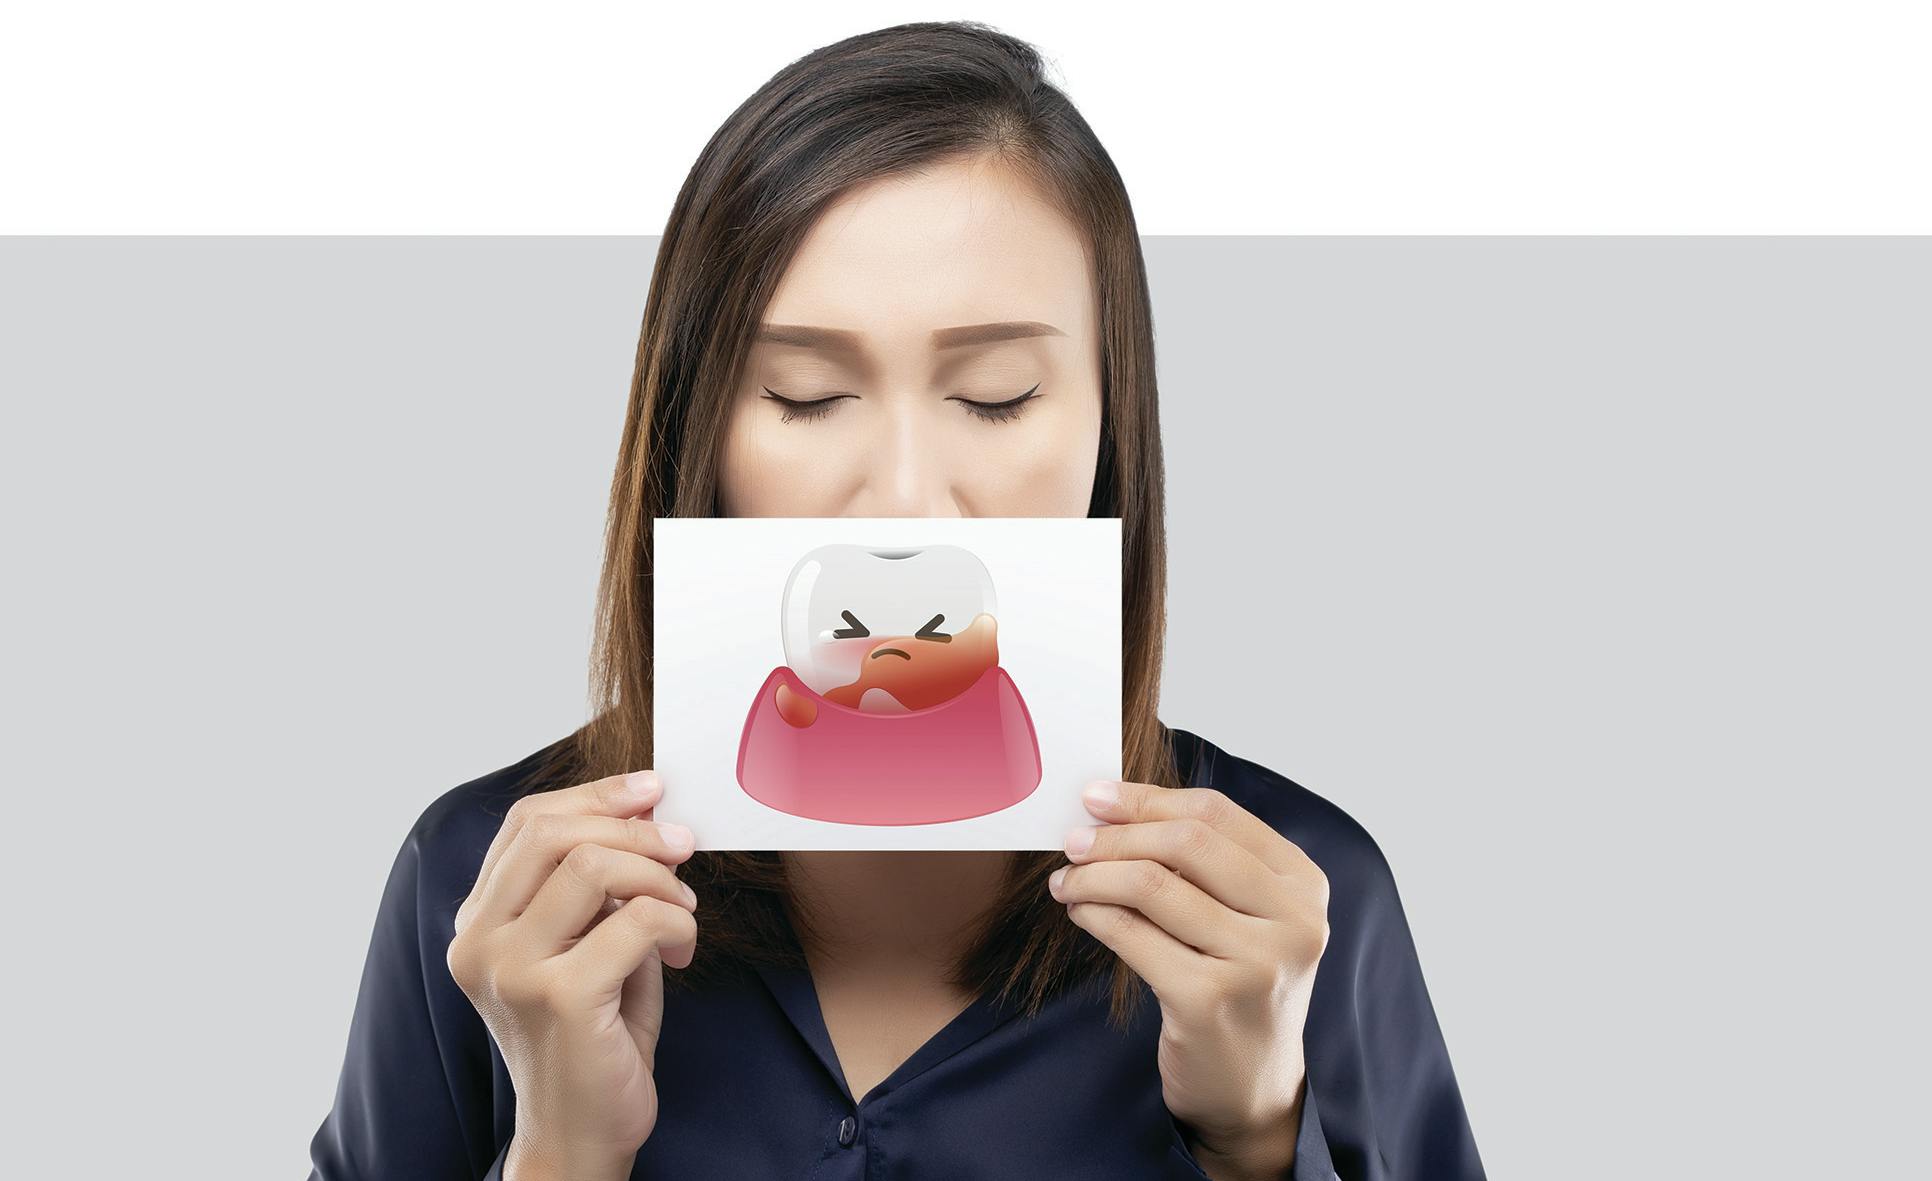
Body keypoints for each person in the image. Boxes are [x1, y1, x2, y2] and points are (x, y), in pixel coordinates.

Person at [308, 21, 1483, 1181]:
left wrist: (1262, 1136)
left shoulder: (1306, 903)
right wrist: (559, 1154)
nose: (905, 501)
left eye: (998, 393)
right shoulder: (485, 891)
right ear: (696, 431)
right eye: (807, 395)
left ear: (1110, 430)